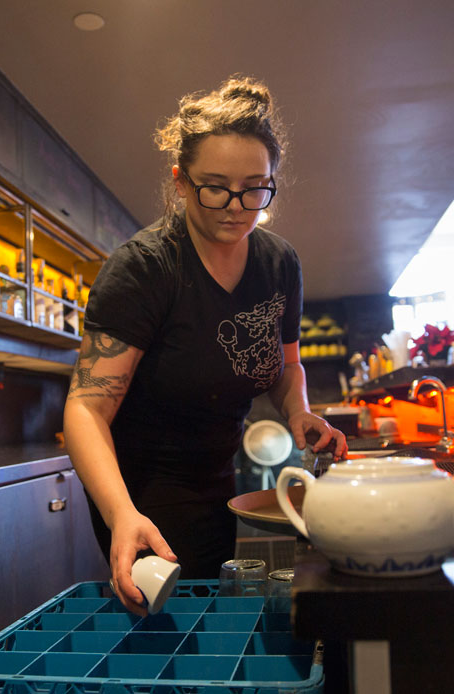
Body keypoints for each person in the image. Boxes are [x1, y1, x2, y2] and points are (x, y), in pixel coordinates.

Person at [62, 75, 347, 615]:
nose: (237, 206)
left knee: (209, 616)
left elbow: (287, 362)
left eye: (255, 187)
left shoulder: (279, 263)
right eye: (215, 186)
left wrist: (298, 411)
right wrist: (121, 514)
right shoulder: (145, 269)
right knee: (167, 624)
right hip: (143, 486)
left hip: (220, 472)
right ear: (181, 183)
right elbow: (86, 406)